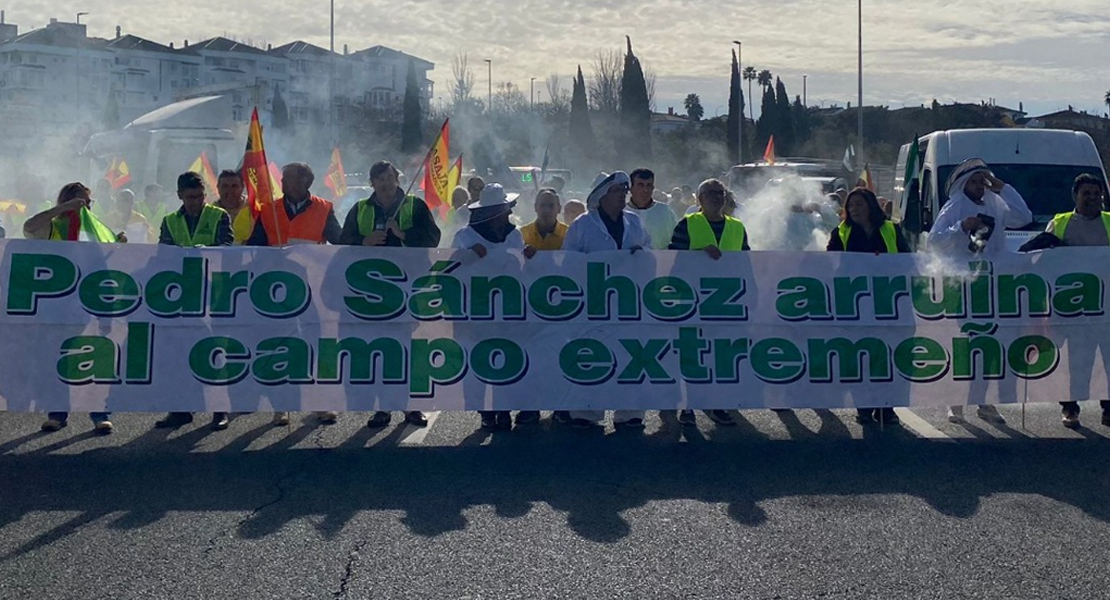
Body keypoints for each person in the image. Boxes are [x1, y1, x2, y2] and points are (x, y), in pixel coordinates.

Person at [340, 160, 441, 429]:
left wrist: (402, 233)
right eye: (379, 179)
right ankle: (382, 408)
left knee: (408, 351)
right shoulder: (360, 209)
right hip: (371, 294)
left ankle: (412, 406)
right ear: (371, 182)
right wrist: (364, 241)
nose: (385, 183)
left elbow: (433, 238)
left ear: (397, 178)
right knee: (380, 351)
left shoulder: (414, 206)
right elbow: (341, 244)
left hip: (408, 290)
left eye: (389, 177)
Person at [929, 158, 1031, 424]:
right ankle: (956, 403)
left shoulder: (997, 203)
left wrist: (1001, 186)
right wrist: (961, 227)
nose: (978, 186)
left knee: (990, 346)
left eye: (981, 181)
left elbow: (1024, 217)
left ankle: (985, 403)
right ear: (963, 184)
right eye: (973, 181)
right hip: (964, 285)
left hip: (994, 285)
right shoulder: (955, 206)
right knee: (965, 344)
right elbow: (934, 241)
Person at [25, 182, 126, 434]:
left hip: (90, 305)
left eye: (88, 203)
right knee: (58, 360)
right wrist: (63, 209)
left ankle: (100, 414)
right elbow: (29, 227)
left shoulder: (94, 231)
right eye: (80, 202)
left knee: (94, 358)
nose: (85, 208)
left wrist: (119, 243)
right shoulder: (53, 227)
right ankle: (57, 413)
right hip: (56, 307)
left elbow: (107, 268)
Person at [248, 162, 342, 425]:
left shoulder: (324, 208)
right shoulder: (268, 210)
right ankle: (283, 405)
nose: (283, 182)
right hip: (276, 292)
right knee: (281, 346)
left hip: (312, 291)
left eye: (289, 178)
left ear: (305, 182)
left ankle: (322, 403)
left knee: (316, 345)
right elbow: (254, 247)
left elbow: (339, 240)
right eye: (283, 178)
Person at [562, 171, 652, 428]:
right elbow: (568, 262)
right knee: (592, 353)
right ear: (601, 195)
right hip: (593, 304)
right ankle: (587, 411)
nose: (623, 195)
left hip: (628, 303)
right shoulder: (581, 225)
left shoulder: (635, 222)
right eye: (617, 190)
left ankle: (630, 413)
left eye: (624, 190)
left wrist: (642, 253)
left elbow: (650, 249)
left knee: (630, 354)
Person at [452, 183, 538, 430]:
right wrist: (467, 255)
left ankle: (503, 408)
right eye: (502, 209)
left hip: (508, 310)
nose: (507, 214)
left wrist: (529, 255)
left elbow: (519, 264)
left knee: (505, 360)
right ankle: (485, 411)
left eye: (507, 208)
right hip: (475, 311)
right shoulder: (465, 236)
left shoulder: (514, 235)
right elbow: (448, 267)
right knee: (480, 361)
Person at [153, 172, 234, 430]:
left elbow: (228, 246)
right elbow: (162, 253)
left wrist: (206, 252)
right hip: (183, 297)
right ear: (179, 195)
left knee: (214, 353)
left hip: (215, 296)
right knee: (180, 354)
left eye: (198, 196)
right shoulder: (169, 221)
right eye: (189, 197)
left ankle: (220, 410)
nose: (194, 202)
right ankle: (181, 409)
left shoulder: (219, 216)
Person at [825, 187, 911, 424]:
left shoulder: (891, 229)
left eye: (859, 204)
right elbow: (830, 263)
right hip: (855, 305)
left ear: (871, 206)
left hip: (888, 303)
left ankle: (886, 407)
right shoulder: (840, 232)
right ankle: (863, 406)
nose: (854, 209)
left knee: (886, 357)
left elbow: (907, 259)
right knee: (860, 356)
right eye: (850, 206)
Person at [668, 178, 748, 427]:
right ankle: (689, 406)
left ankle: (718, 405)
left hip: (727, 303)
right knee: (693, 355)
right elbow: (672, 258)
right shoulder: (687, 224)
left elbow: (746, 262)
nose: (716, 197)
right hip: (693, 301)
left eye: (720, 193)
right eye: (710, 193)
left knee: (721, 356)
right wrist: (699, 255)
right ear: (699, 200)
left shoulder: (737, 227)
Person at [1043, 174, 1110, 428]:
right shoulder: (1059, 223)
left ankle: (1108, 409)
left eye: (1096, 193)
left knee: (1109, 361)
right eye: (1087, 193)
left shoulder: (1109, 222)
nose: (1093, 198)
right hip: (1072, 309)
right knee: (1076, 362)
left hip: (1106, 307)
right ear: (1076, 196)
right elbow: (1041, 258)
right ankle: (1070, 408)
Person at [626, 168, 678, 250]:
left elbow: (676, 240)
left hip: (661, 261)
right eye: (640, 185)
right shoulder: (622, 212)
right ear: (631, 188)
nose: (645, 190)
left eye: (649, 185)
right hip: (629, 261)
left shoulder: (664, 211)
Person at [214, 169, 254, 245]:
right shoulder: (210, 212)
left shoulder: (253, 208)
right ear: (218, 188)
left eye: (234, 186)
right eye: (225, 186)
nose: (230, 191)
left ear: (242, 187)